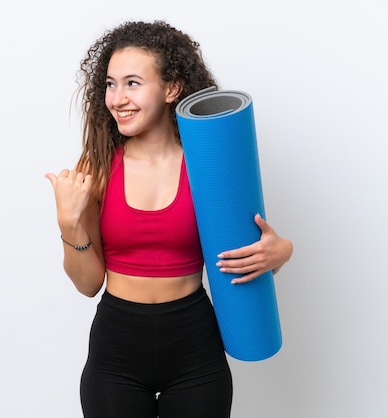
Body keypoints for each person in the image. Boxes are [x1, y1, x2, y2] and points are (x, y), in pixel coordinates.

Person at [45, 20, 293, 418]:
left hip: (195, 348)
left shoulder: (207, 166)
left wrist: (282, 251)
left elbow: (247, 250)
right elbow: (88, 284)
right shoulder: (99, 167)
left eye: (132, 83)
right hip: (116, 352)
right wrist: (68, 224)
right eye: (110, 84)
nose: (117, 98)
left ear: (172, 89)